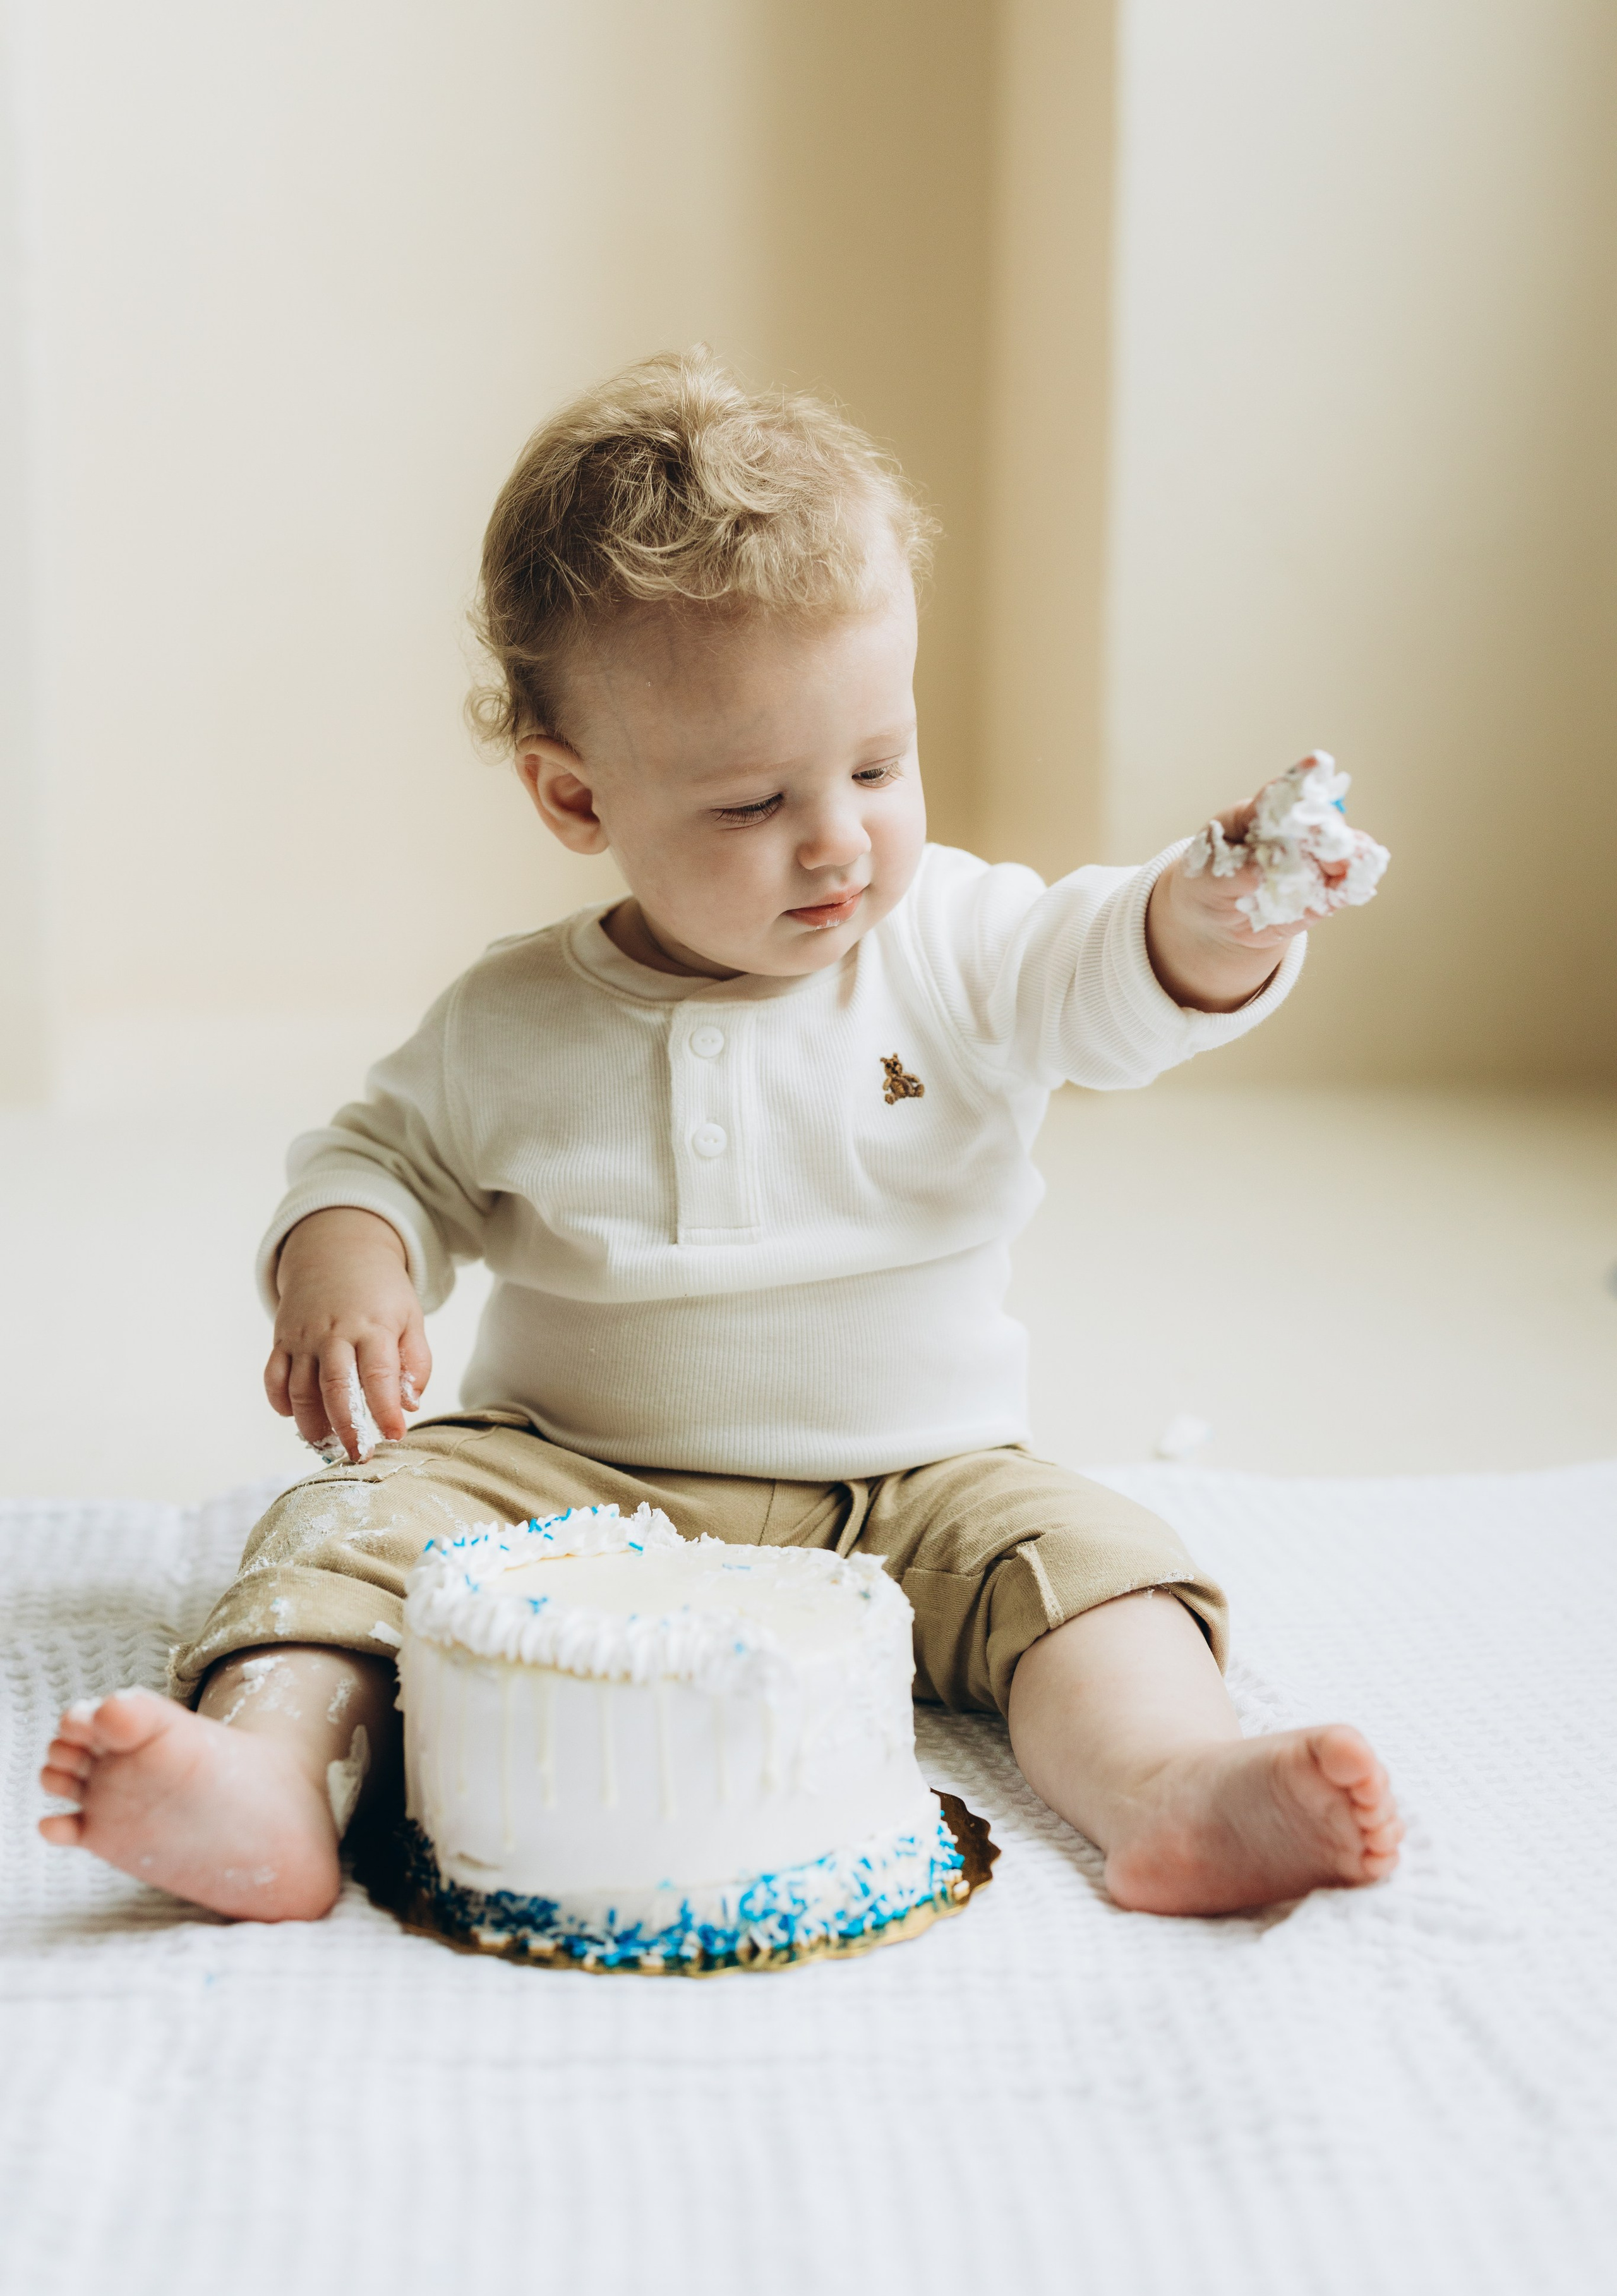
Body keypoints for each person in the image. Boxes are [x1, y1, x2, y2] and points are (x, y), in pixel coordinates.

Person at [38, 351, 1402, 1923]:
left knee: (1094, 1567)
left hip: (916, 1481)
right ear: (574, 797)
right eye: (751, 804)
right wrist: (346, 1259)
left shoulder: (956, 940)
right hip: (558, 1479)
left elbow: (1109, 977)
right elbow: (379, 1160)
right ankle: (271, 1780)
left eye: (877, 764)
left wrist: (1213, 915)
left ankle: (1171, 1786)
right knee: (343, 1533)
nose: (837, 839)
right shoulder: (515, 1016)